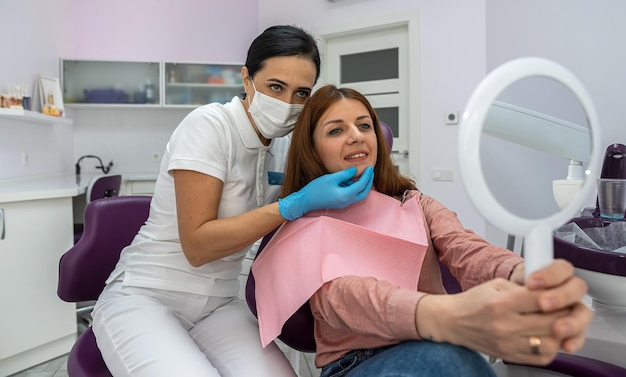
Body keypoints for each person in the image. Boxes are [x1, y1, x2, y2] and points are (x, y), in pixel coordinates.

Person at [91, 27, 373, 377]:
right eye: (275, 87)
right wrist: (291, 204)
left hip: (221, 302)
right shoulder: (209, 126)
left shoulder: (285, 146)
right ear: (246, 77)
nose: (287, 104)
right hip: (147, 295)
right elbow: (198, 246)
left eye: (301, 93)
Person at [259, 84, 592, 377]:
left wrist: (522, 274)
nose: (357, 135)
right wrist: (443, 314)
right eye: (336, 130)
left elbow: (466, 250)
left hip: (439, 346)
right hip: (357, 363)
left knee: (450, 359)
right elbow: (343, 297)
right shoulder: (306, 224)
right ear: (312, 149)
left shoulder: (413, 203)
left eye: (364, 125)